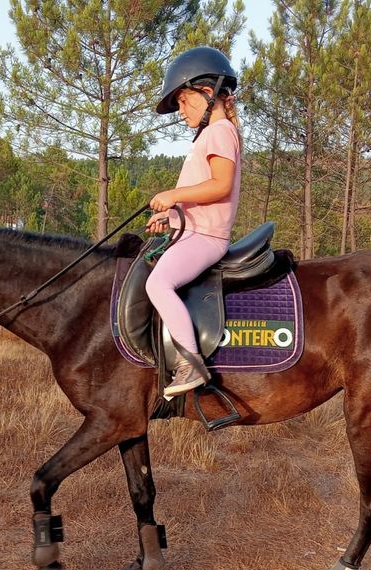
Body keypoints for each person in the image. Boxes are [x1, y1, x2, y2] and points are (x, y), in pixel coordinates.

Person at [145, 46, 241, 398]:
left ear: (206, 92)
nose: (181, 111)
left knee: (158, 284)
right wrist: (169, 215)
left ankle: (191, 362)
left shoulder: (219, 132)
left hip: (206, 237)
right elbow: (199, 196)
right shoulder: (208, 135)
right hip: (193, 231)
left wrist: (173, 195)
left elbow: (220, 185)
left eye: (184, 101)